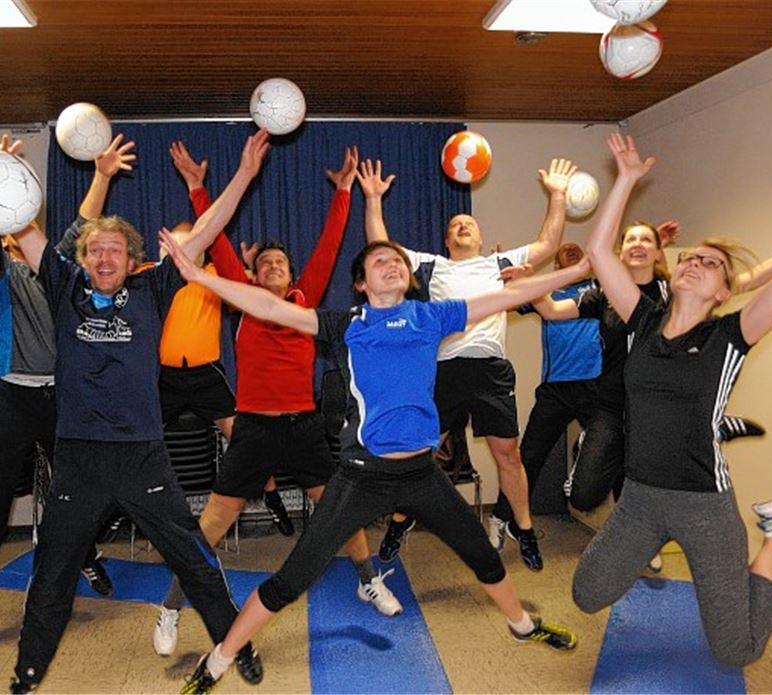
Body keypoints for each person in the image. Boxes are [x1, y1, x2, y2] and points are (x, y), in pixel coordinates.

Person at [161, 227, 589, 694]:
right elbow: (266, 305)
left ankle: (522, 625)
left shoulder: (433, 316)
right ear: (361, 282)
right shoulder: (349, 324)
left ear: (408, 277)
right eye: (378, 261)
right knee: (291, 580)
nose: (391, 264)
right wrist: (198, 277)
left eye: (397, 261)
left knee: (482, 556)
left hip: (423, 474)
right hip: (363, 476)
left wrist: (579, 270)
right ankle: (218, 660)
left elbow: (514, 294)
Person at [572, 131, 772, 667]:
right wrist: (627, 181)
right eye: (691, 258)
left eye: (711, 264)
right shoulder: (645, 319)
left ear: (725, 291)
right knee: (585, 594)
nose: (695, 263)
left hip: (703, 502)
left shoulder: (731, 334)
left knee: (737, 650)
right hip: (639, 497)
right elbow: (596, 251)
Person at [6, 129, 272, 693]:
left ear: (133, 261)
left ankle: (234, 645)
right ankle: (27, 674)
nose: (104, 257)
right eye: (94, 250)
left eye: (115, 250)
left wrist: (244, 175)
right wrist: (1, 176)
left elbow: (205, 231)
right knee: (52, 571)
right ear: (82, 260)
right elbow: (23, 230)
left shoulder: (152, 291)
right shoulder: (64, 289)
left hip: (143, 458)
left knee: (196, 561)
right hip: (78, 458)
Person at [152, 142, 404, 661]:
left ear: (292, 277)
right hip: (254, 431)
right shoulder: (241, 299)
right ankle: (173, 607)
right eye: (264, 262)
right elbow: (216, 241)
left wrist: (342, 193)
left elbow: (330, 248)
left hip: (305, 427)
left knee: (339, 510)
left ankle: (366, 579)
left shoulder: (303, 301)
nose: (271, 266)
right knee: (213, 523)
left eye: (280, 263)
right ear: (252, 275)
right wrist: (197, 187)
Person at [520, 214, 772, 571]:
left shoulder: (674, 291)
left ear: (657, 252)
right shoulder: (603, 295)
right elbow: (554, 311)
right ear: (620, 252)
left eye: (646, 240)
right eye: (630, 240)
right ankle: (704, 431)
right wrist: (531, 284)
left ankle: (646, 526)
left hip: (658, 411)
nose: (637, 245)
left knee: (641, 479)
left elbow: (746, 280)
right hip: (610, 406)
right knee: (584, 495)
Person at [0, 112, 115, 627]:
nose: (14, 238)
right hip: (11, 398)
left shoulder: (56, 268)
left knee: (76, 489)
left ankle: (89, 557)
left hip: (60, 399)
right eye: (7, 234)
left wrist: (101, 173)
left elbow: (83, 221)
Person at [363, 157, 575, 571]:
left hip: (490, 371)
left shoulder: (498, 264)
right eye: (455, 225)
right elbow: (381, 248)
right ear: (446, 241)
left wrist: (558, 195)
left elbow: (547, 245)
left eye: (469, 223)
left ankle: (524, 528)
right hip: (443, 369)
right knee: (419, 454)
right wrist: (373, 199)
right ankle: (400, 521)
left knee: (507, 455)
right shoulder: (434, 266)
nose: (463, 226)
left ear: (480, 237)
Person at [162, 140, 291, 536]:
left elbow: (254, 292)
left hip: (206, 376)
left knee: (244, 439)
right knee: (138, 439)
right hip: (163, 377)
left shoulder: (214, 276)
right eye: (178, 243)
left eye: (193, 241)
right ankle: (130, 507)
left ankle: (272, 498)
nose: (187, 248)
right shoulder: (152, 276)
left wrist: (250, 268)